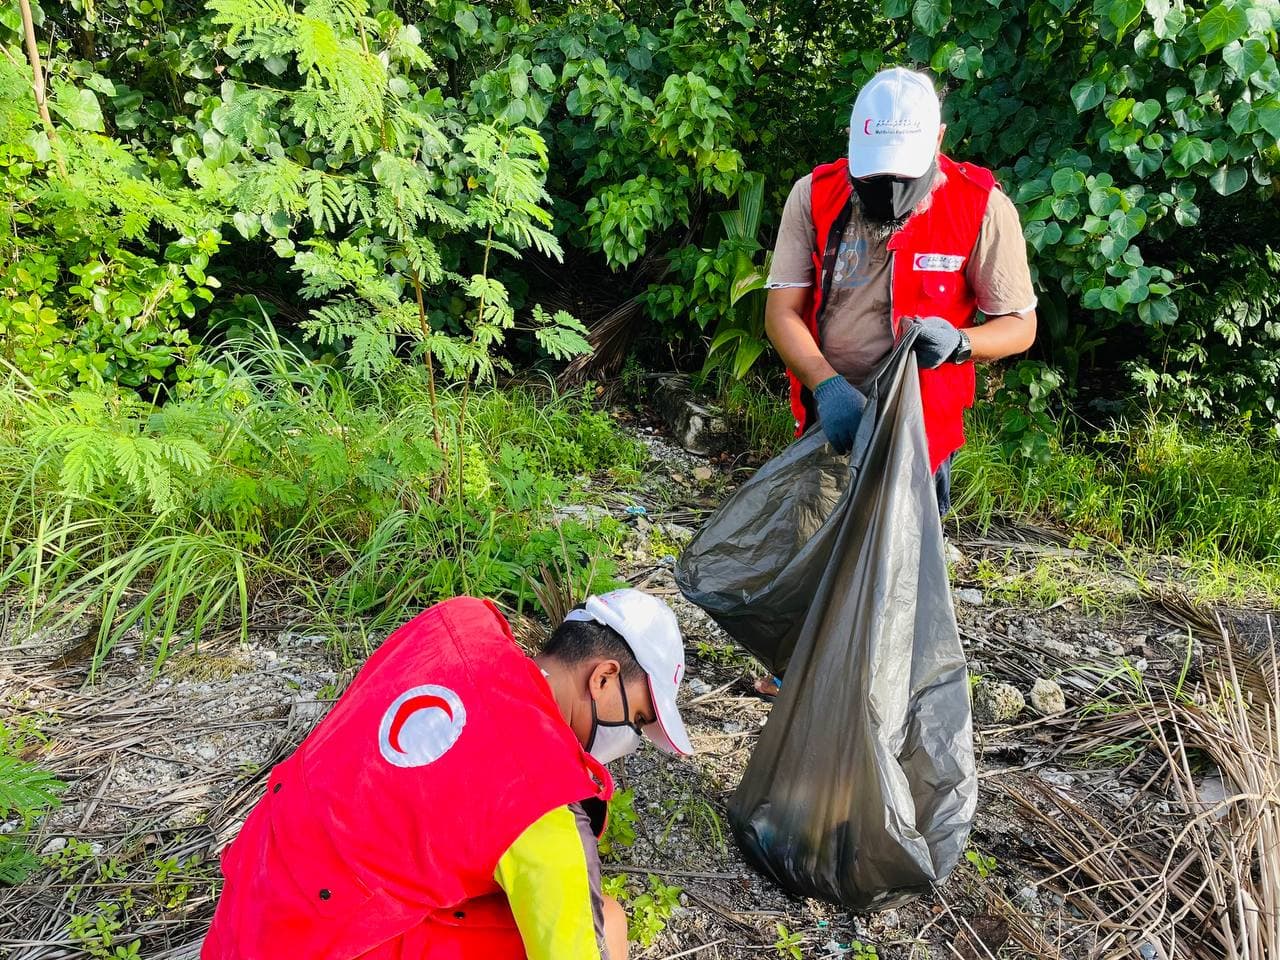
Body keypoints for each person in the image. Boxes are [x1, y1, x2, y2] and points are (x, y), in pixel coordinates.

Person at [202, 589, 694, 960]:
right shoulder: (543, 800)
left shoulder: (455, 625)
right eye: (638, 720)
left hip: (255, 897)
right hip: (323, 940)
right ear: (603, 677)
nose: (628, 738)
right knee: (607, 920)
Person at [756, 66, 1037, 697]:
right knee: (815, 548)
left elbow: (1019, 325)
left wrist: (964, 341)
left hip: (920, 428)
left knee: (899, 564)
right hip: (832, 415)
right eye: (872, 175)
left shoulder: (981, 206)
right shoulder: (816, 195)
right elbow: (781, 311)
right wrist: (827, 386)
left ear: (937, 141)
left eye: (899, 178)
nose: (884, 189)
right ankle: (798, 676)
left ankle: (875, 686)